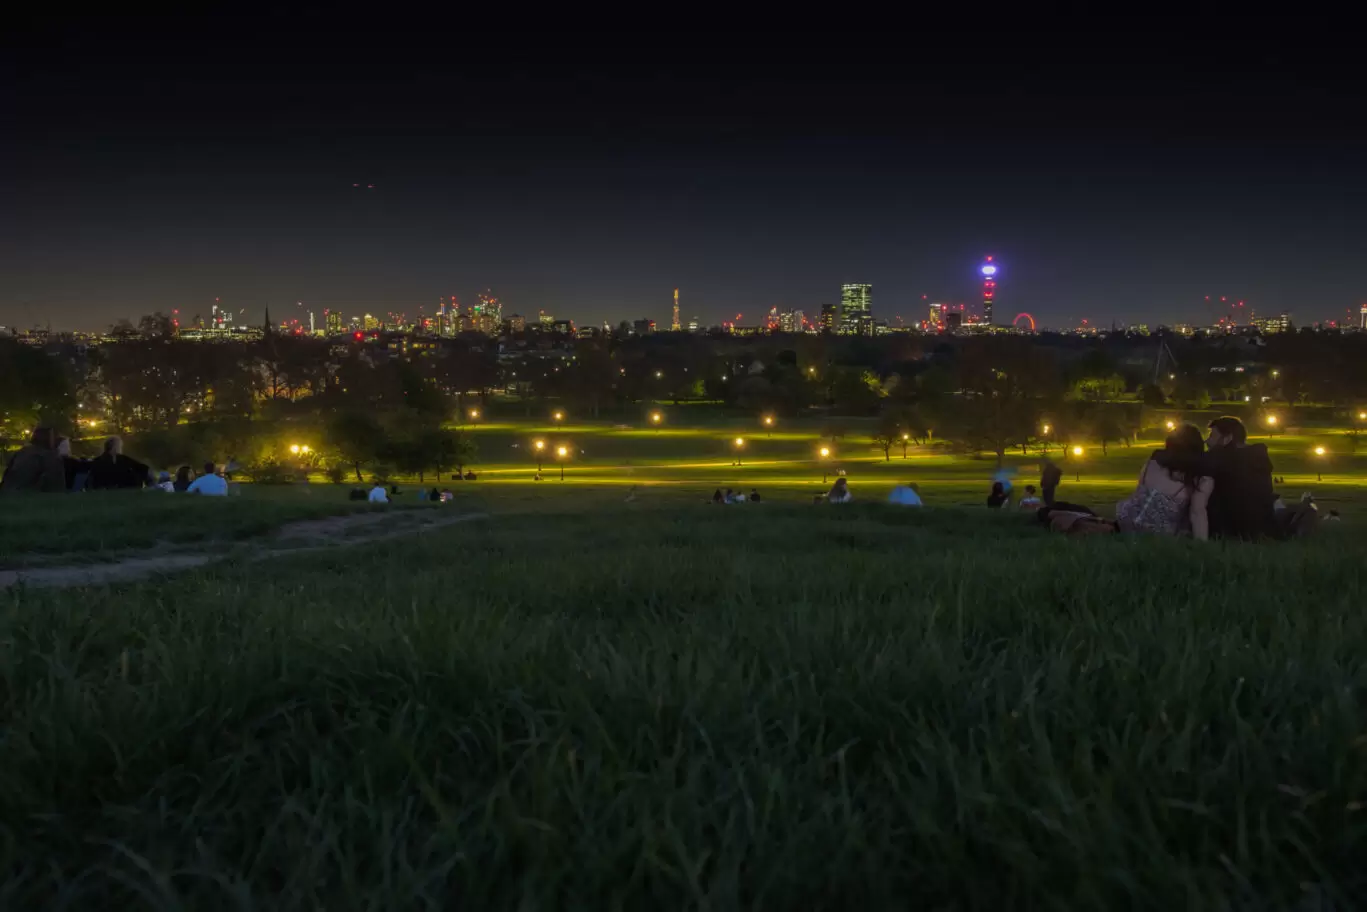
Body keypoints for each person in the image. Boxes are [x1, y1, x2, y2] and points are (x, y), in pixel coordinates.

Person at [1115, 424, 1213, 538]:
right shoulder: (1201, 476)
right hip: (1161, 530)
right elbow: (1197, 513)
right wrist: (1202, 544)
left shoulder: (1154, 460)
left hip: (1127, 518)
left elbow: (1140, 488)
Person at [1201, 417, 1279, 541]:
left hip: (1228, 531)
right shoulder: (1259, 458)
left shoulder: (1217, 458)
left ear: (1228, 438)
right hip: (1263, 529)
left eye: (1212, 436)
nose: (1207, 441)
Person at [1, 427, 67, 494]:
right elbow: (56, 486)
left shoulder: (22, 452)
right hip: (31, 494)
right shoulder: (50, 456)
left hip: (9, 491)